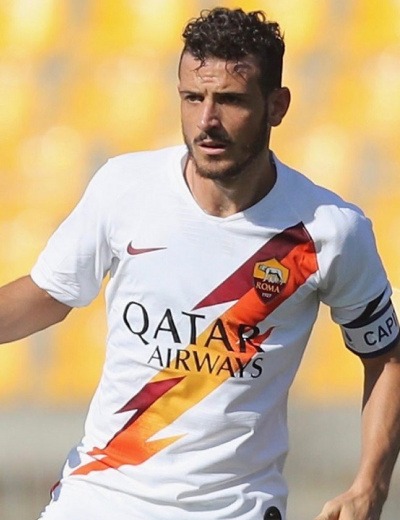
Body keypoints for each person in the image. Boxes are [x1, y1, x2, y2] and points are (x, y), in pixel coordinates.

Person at [1, 7, 399, 520]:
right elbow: (48, 295)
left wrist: (370, 486)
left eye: (230, 100)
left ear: (277, 106)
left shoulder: (330, 231)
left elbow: (386, 358)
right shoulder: (124, 187)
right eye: (193, 97)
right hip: (99, 498)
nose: (207, 121)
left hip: (232, 509)